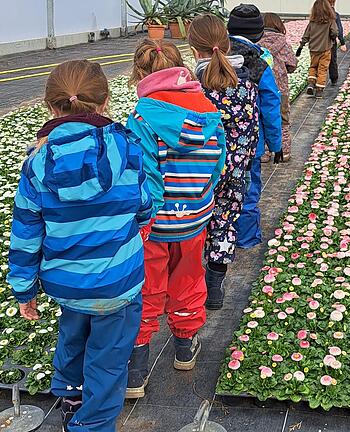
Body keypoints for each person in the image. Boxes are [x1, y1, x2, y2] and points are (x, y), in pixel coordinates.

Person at [7, 60, 152, 432]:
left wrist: (24, 288)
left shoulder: (37, 163)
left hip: (67, 285)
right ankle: (92, 424)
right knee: (108, 360)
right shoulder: (128, 149)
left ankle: (70, 396)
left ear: (51, 106)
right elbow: (143, 205)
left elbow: (26, 232)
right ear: (104, 103)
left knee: (73, 334)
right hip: (118, 285)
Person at [125, 39, 227, 398]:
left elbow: (144, 174)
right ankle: (185, 347)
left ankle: (136, 371)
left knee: (147, 288)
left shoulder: (140, 117)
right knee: (188, 279)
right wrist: (201, 197)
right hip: (194, 220)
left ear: (140, 74)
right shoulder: (208, 111)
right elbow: (218, 164)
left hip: (154, 226)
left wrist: (145, 220)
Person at [187, 14, 260, 310]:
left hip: (199, 174)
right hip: (236, 173)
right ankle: (214, 288)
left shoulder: (193, 90)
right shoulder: (247, 86)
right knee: (225, 224)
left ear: (193, 50)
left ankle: (189, 287)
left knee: (195, 228)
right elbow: (253, 132)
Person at [226, 3, 284, 249]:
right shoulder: (259, 63)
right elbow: (270, 105)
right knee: (247, 190)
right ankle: (246, 239)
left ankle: (218, 236)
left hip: (215, 144)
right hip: (249, 145)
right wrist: (276, 144)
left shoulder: (213, 57)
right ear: (260, 34)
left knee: (219, 192)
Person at [259, 12, 298, 162]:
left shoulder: (255, 43)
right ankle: (284, 152)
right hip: (280, 90)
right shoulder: (283, 43)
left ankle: (264, 153)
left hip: (260, 89)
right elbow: (292, 64)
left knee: (262, 120)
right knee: (283, 121)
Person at [296, 0, 338, 98]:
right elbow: (335, 32)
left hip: (313, 49)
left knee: (313, 66)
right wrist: (332, 38)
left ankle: (311, 83)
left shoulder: (312, 22)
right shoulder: (330, 20)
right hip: (326, 49)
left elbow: (306, 35)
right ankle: (319, 90)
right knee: (322, 69)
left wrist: (301, 47)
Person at [327, 0, 347, 86]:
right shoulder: (335, 15)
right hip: (331, 41)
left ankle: (314, 82)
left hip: (318, 42)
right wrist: (342, 42)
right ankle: (334, 78)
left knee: (317, 61)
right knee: (332, 60)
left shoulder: (317, 15)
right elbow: (338, 30)